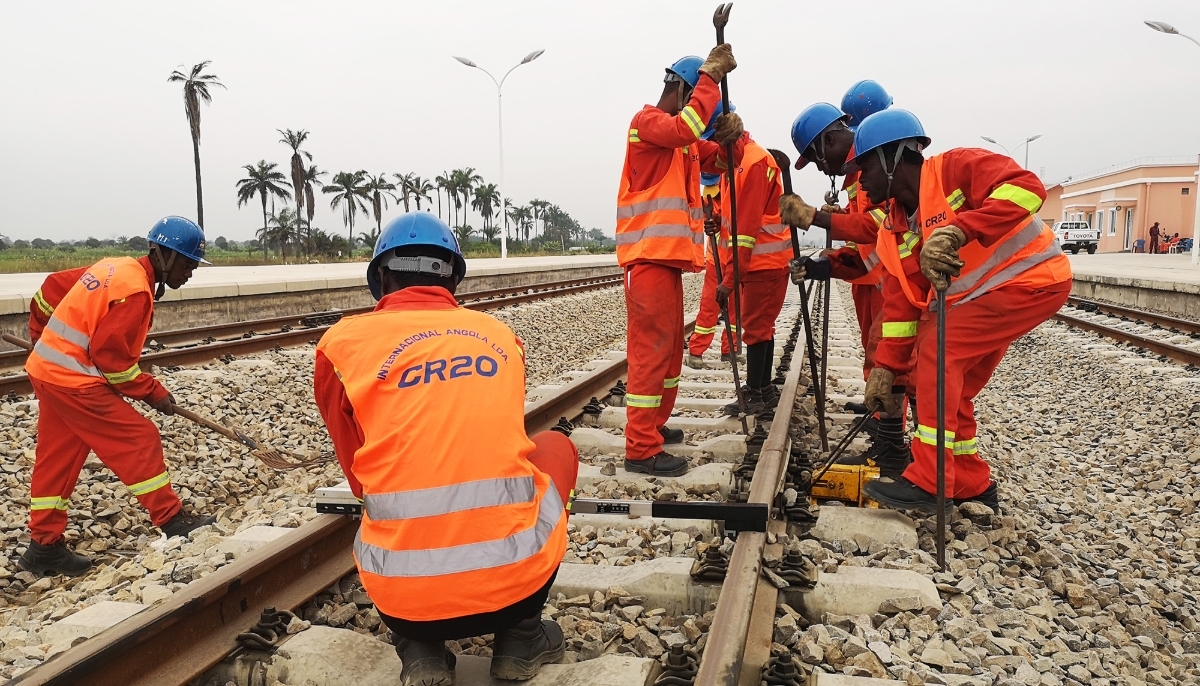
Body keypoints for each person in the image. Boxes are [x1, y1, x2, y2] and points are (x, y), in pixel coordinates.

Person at [314, 213, 580, 686]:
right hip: (515, 590)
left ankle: (421, 652)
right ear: (453, 277)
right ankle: (520, 638)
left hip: (402, 602)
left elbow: (359, 480)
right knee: (554, 446)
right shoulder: (501, 337)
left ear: (383, 277)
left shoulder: (340, 346)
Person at [845, 109, 1072, 512]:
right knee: (956, 384)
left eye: (865, 167)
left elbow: (1026, 188)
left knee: (937, 354)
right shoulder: (898, 223)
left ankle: (931, 482)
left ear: (892, 157)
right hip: (986, 295)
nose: (861, 181)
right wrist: (887, 368)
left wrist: (960, 228)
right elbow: (901, 302)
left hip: (1029, 279)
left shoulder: (956, 167)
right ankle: (969, 480)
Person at [19, 217, 216, 577]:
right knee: (139, 438)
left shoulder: (115, 266)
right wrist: (153, 391)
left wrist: (39, 338)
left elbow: (52, 287)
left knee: (59, 458)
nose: (190, 273)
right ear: (164, 256)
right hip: (73, 380)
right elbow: (113, 362)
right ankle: (172, 519)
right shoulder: (135, 291)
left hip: (47, 372)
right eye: (188, 264)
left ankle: (43, 547)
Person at [616, 45, 745, 477]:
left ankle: (652, 425)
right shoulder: (647, 123)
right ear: (683, 89)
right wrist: (711, 77)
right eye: (701, 103)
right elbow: (687, 128)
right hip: (646, 261)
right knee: (652, 352)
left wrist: (733, 136)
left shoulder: (682, 145)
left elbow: (727, 162)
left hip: (665, 262)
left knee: (669, 350)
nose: (702, 122)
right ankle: (640, 448)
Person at [781, 82, 909, 474]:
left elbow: (876, 226)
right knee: (882, 362)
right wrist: (827, 265)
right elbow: (869, 243)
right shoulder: (861, 175)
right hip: (877, 278)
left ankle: (891, 449)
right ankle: (885, 430)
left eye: (816, 157)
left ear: (832, 139)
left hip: (894, 284)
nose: (820, 167)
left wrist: (818, 218)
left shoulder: (875, 168)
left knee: (892, 363)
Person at [707, 116, 791, 416]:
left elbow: (746, 231)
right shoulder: (737, 162)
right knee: (761, 327)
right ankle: (764, 388)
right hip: (759, 263)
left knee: (755, 329)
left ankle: (755, 392)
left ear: (728, 140)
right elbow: (736, 215)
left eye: (717, 145)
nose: (715, 152)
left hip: (763, 262)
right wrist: (717, 221)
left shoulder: (753, 163)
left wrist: (730, 279)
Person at [685, 172, 737, 368]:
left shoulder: (734, 188)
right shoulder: (709, 195)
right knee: (710, 307)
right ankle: (696, 351)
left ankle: (730, 350)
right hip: (716, 259)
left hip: (734, 258)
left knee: (734, 309)